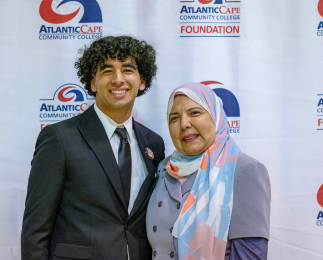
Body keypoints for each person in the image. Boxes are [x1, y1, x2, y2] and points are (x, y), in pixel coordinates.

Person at [21, 36, 165, 260]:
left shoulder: (154, 144)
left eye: (127, 70)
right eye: (107, 71)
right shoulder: (59, 138)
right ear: (92, 82)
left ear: (142, 81)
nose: (118, 80)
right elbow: (35, 231)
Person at [146, 82, 271, 260]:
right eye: (174, 118)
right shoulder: (164, 168)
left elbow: (250, 255)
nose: (184, 124)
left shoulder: (243, 170)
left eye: (194, 113)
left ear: (215, 116)